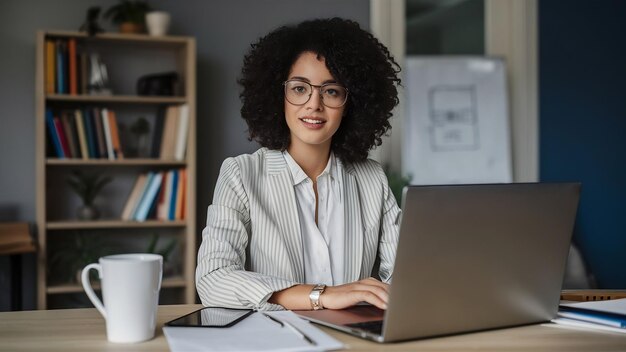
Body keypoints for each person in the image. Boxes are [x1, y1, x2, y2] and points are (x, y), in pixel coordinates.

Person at [196, 17, 401, 311]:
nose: (314, 104)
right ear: (278, 95)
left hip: (355, 340)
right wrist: (322, 295)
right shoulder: (240, 175)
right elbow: (213, 279)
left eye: (331, 91)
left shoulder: (372, 179)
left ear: (350, 104)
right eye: (299, 88)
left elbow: (404, 274)